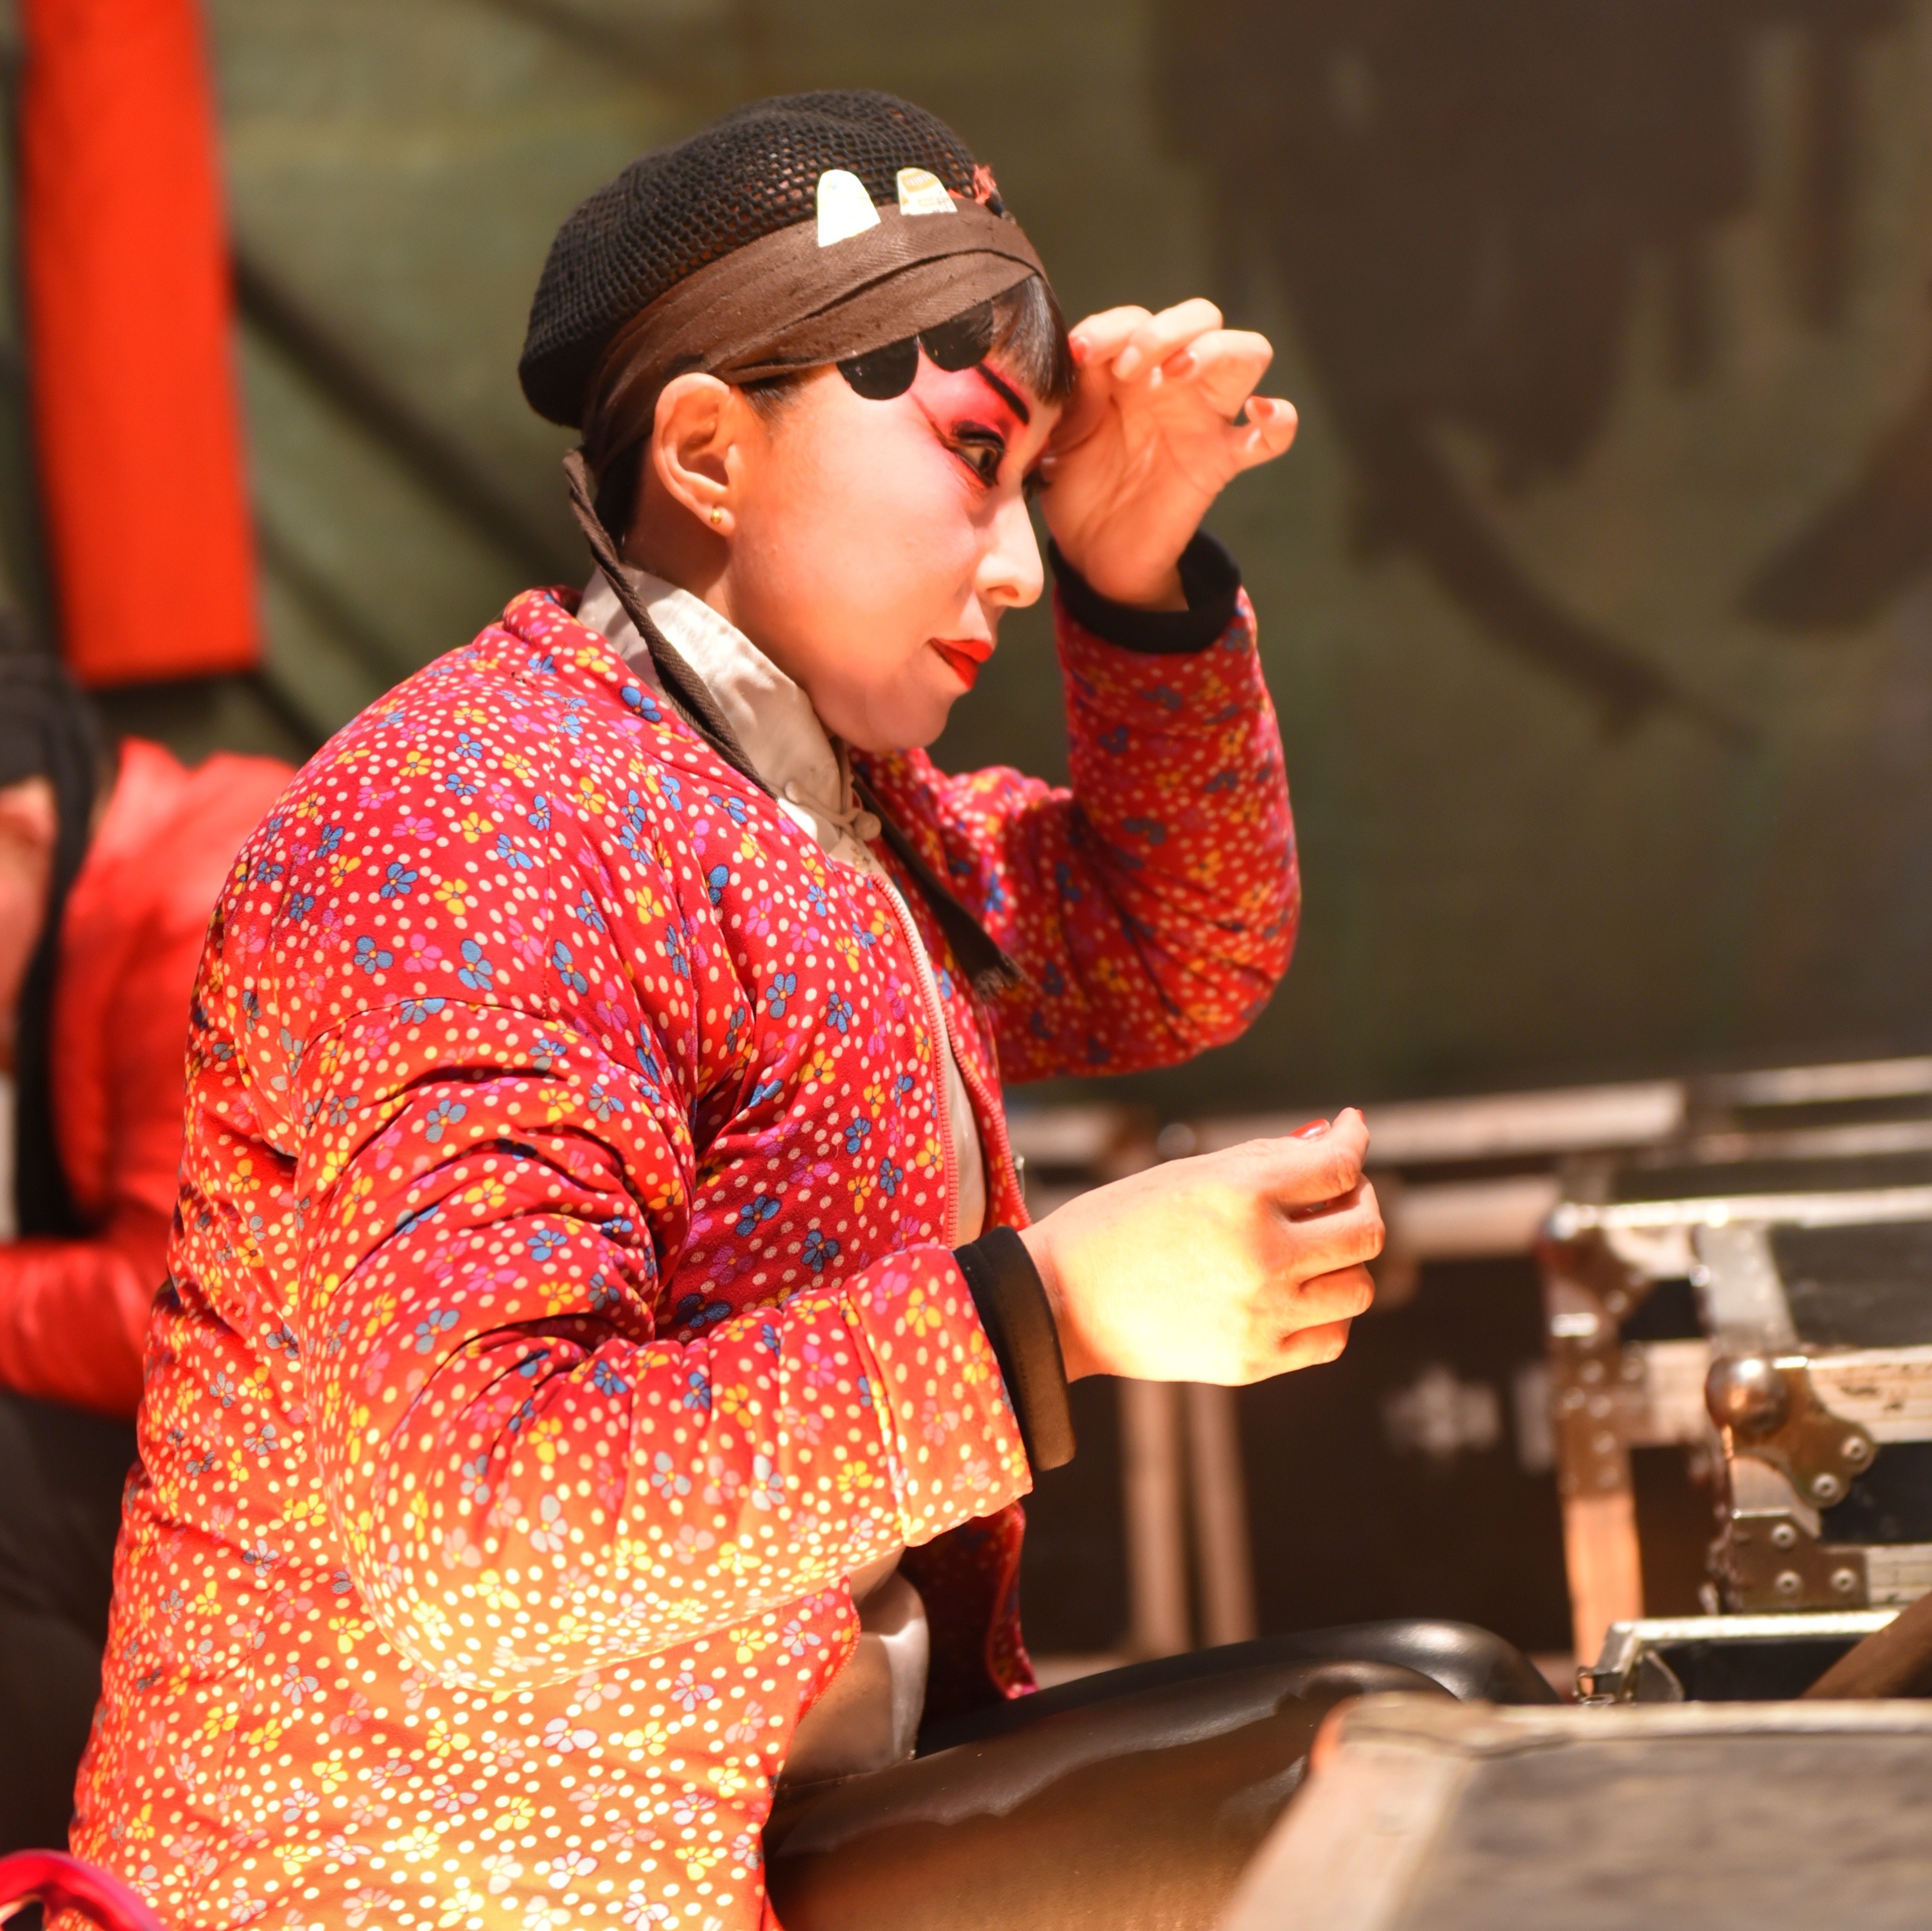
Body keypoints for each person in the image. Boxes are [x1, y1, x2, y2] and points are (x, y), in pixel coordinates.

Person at [69, 91, 1422, 1928]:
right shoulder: (476, 822)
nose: (1015, 567)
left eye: (1032, 486)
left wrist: (1140, 575)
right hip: (410, 1881)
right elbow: (487, 1517)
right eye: (975, 457)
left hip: (755, 1832)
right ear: (708, 452)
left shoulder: (811, 806)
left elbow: (1170, 939)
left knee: (1396, 1746)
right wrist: (1049, 1316)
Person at [0, 648, 288, 1856]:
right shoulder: (101, 907)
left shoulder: (196, 894)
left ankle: (83, 1884)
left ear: (19, 830)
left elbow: (166, 1310)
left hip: (383, 1497)